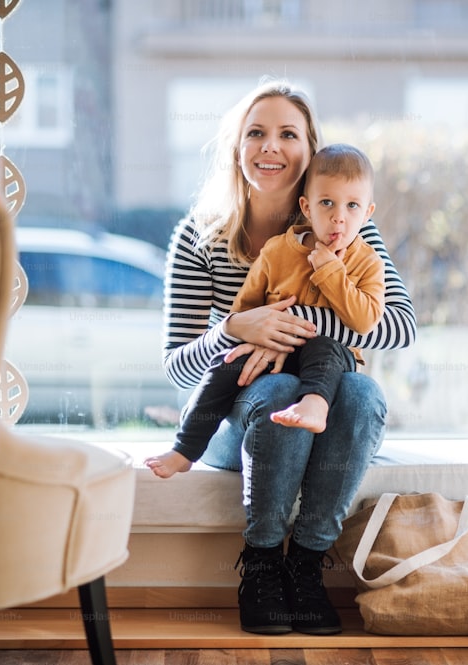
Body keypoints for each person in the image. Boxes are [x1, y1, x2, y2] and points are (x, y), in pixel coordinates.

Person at [144, 79, 416, 636]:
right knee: (274, 391)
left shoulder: (348, 229)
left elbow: (400, 329)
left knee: (362, 393)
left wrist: (290, 326)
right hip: (234, 415)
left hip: (325, 394)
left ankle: (307, 566)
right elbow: (177, 366)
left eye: (287, 133)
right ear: (236, 147)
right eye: (256, 133)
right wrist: (235, 328)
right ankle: (262, 566)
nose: (271, 146)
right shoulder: (199, 236)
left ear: (308, 147)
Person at [147, 142, 384, 472]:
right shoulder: (277, 252)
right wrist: (244, 332)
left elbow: (366, 320)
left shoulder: (366, 258)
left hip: (326, 360)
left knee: (325, 349)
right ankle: (185, 449)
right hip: (266, 354)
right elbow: (246, 308)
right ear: (307, 206)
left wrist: (329, 273)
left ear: (367, 212)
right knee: (225, 363)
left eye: (352, 207)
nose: (338, 218)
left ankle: (314, 404)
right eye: (326, 203)